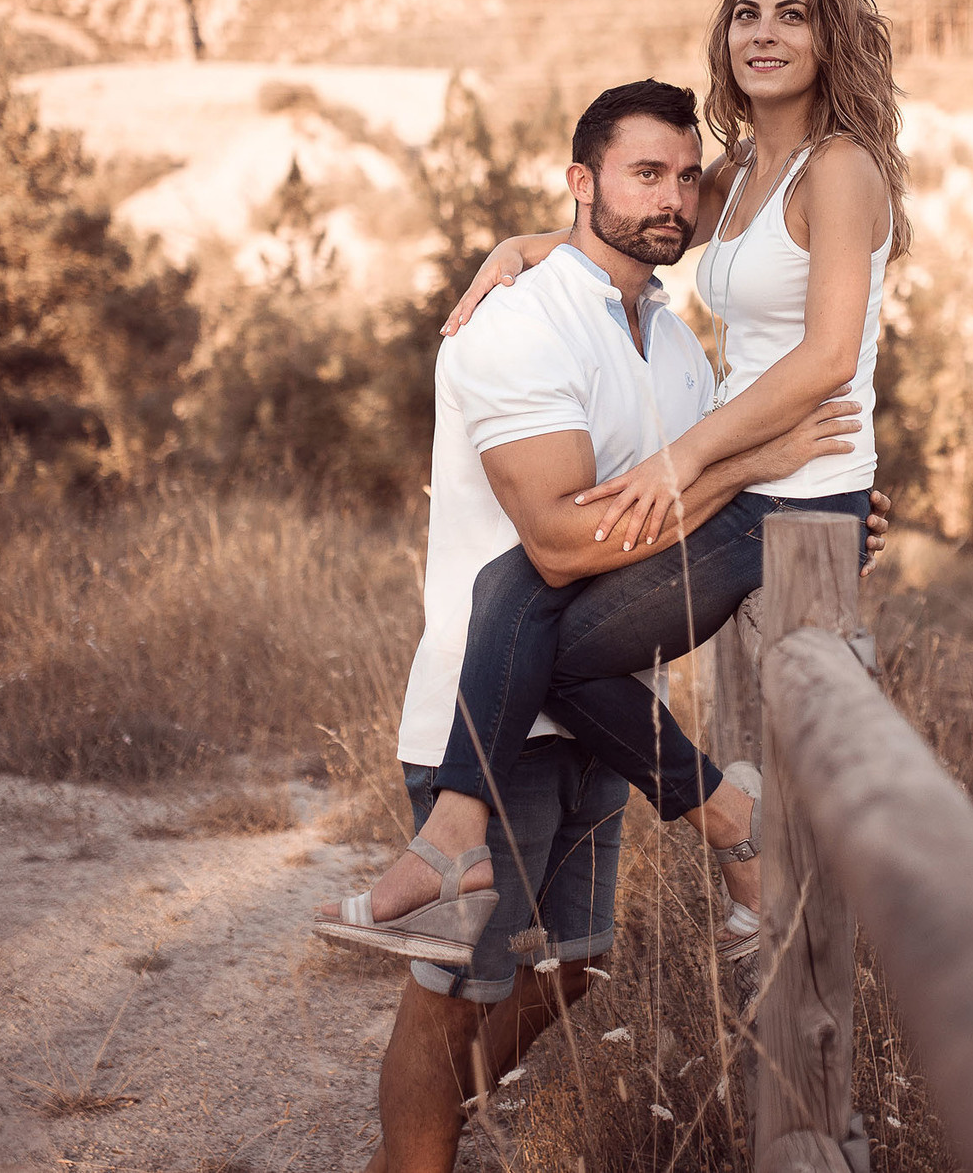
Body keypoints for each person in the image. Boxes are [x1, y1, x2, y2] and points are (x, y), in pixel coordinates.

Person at [319, 80, 886, 1172]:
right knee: (451, 994)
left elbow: (692, 511)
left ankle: (432, 1129)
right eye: (644, 173)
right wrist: (750, 474)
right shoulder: (520, 321)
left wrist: (809, 503)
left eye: (686, 177)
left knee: (573, 965)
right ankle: (416, 1146)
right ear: (581, 181)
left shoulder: (673, 344)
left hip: (604, 706)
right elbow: (564, 544)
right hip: (492, 714)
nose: (671, 197)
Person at [320, 0, 907, 967]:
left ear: (831, 35)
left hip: (797, 485)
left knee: (547, 651)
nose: (764, 34)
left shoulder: (841, 167)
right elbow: (642, 219)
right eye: (747, 13)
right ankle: (466, 840)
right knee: (516, 583)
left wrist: (688, 461)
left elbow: (825, 358)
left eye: (793, 14)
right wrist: (528, 246)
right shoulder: (740, 171)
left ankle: (725, 826)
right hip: (747, 475)